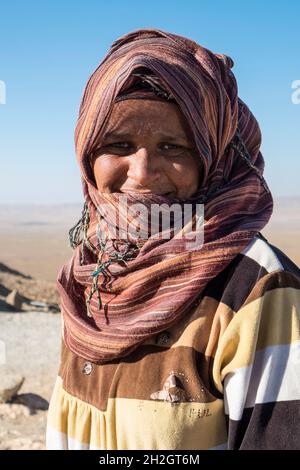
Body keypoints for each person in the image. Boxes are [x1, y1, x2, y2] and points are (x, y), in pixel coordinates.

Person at [46, 28, 300, 450]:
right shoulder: (92, 274)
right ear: (88, 154)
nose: (143, 172)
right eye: (118, 144)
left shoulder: (259, 292)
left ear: (213, 158)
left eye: (173, 147)